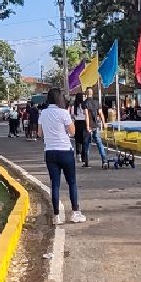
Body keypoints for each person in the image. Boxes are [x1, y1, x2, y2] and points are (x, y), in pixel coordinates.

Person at [38, 88, 86, 225]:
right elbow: (72, 132)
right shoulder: (64, 113)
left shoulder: (43, 113)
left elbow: (40, 133)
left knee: (55, 184)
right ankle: (75, 213)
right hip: (65, 151)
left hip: (50, 152)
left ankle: (56, 216)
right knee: (72, 182)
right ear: (60, 98)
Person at [82, 86, 107, 167]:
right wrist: (104, 123)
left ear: (86, 94)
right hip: (96, 125)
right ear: (92, 93)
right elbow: (101, 113)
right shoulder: (97, 102)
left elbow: (86, 115)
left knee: (87, 144)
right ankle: (104, 160)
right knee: (99, 143)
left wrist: (87, 126)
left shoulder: (85, 103)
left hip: (89, 126)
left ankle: (86, 162)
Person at [70, 92, 87, 159]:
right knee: (84, 139)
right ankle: (84, 156)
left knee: (78, 139)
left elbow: (72, 116)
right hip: (84, 122)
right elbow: (86, 114)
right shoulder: (84, 105)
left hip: (77, 123)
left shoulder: (74, 106)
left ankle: (78, 154)